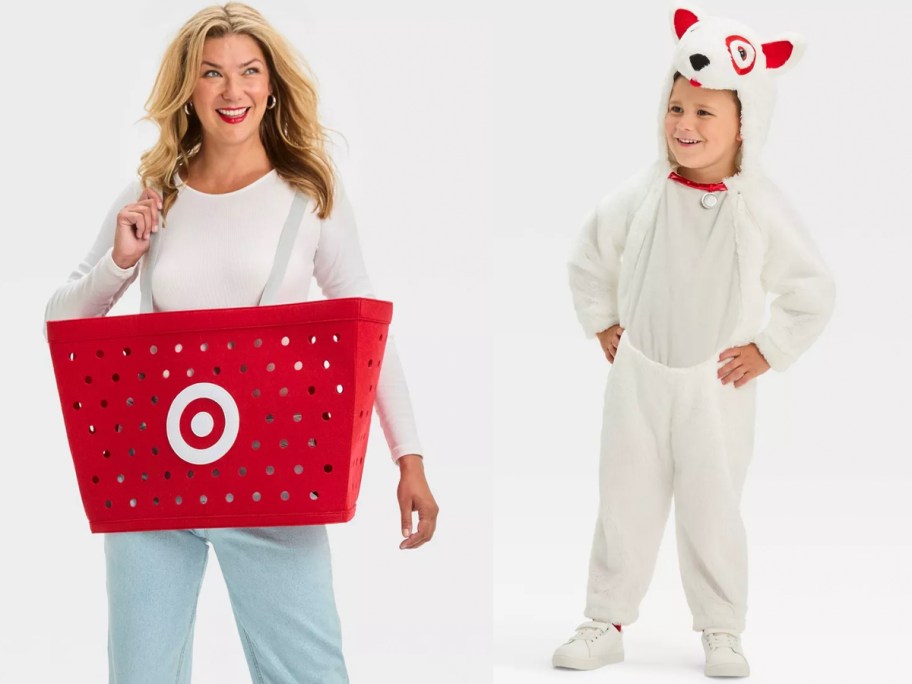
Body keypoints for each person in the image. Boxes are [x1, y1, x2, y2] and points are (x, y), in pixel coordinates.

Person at [44, 3, 438, 682]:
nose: (234, 91)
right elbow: (63, 320)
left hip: (275, 473)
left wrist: (410, 456)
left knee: (308, 672)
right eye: (213, 74)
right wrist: (120, 262)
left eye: (250, 71)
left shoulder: (308, 193)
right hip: (153, 478)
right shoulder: (150, 195)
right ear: (187, 90)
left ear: (272, 84)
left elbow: (369, 330)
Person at [552, 7, 834, 678]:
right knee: (624, 501)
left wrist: (769, 348)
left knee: (713, 509)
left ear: (747, 124)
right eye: (676, 107)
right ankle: (606, 619)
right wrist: (602, 321)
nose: (685, 124)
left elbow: (812, 287)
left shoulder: (759, 205)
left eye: (706, 113)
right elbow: (590, 254)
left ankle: (721, 628)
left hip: (716, 390)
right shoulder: (644, 193)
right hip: (639, 378)